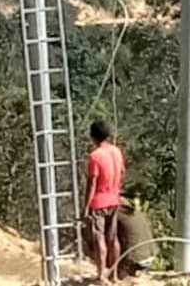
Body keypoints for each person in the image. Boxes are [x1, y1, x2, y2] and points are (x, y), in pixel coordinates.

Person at [83, 120, 125, 285]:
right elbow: (122, 171)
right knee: (113, 238)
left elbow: (92, 183)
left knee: (99, 238)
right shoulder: (116, 151)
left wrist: (86, 207)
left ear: (93, 137)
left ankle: (101, 276)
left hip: (99, 202)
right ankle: (113, 274)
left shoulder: (95, 156)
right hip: (114, 199)